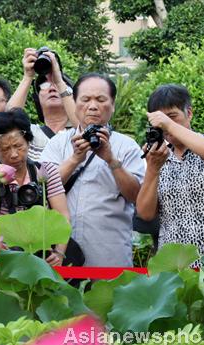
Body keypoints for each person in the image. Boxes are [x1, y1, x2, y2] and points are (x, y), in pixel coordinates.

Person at [41, 73, 145, 267]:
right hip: (62, 255)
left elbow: (136, 197)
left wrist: (111, 159)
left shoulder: (127, 146)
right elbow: (42, 189)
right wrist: (74, 160)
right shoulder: (58, 143)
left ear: (112, 105)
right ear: (74, 102)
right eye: (86, 99)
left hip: (109, 256)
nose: (93, 106)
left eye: (101, 99)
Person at [136, 84, 204, 267]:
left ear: (189, 113)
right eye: (160, 120)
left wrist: (168, 124)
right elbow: (145, 213)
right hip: (175, 263)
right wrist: (152, 168)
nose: (165, 126)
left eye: (172, 116)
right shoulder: (156, 156)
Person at [0, 109, 70, 265]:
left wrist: (59, 253)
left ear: (28, 142)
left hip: (43, 256)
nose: (14, 154)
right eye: (5, 149)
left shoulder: (45, 171)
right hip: (4, 258)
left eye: (18, 146)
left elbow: (63, 216)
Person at [7, 48, 78, 162]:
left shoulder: (77, 134)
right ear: (37, 99)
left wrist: (60, 82)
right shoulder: (30, 133)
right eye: (44, 85)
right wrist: (28, 77)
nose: (52, 89)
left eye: (56, 85)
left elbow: (84, 126)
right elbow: (7, 122)